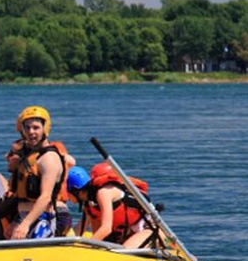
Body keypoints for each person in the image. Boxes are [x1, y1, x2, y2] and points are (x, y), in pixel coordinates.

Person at [8, 106, 65, 240]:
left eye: (36, 127)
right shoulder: (30, 155)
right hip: (24, 217)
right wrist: (17, 221)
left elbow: (45, 197)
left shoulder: (48, 159)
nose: (31, 132)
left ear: (45, 128)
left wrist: (26, 224)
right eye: (27, 128)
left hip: (41, 220)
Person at [67, 164, 154, 248]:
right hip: (127, 232)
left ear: (75, 190)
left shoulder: (103, 193)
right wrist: (66, 243)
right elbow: (80, 228)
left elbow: (106, 228)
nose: (66, 196)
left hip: (149, 228)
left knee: (124, 251)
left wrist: (87, 248)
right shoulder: (90, 202)